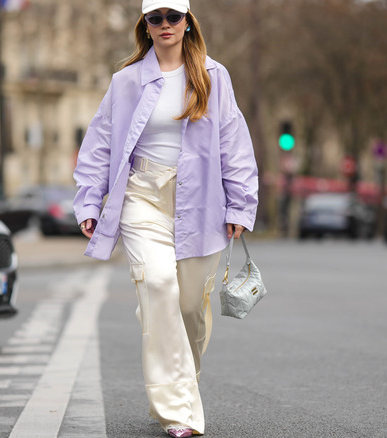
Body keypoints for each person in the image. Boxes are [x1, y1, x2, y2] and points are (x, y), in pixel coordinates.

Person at [73, 0, 258, 436]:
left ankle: (181, 381)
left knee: (190, 305)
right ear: (146, 26)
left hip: (201, 202)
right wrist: (88, 203)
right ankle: (178, 411)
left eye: (173, 17)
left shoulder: (214, 76)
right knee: (158, 285)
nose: (164, 25)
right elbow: (99, 144)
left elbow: (234, 140)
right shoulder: (125, 81)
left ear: (188, 22)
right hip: (143, 197)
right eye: (155, 18)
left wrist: (240, 204)